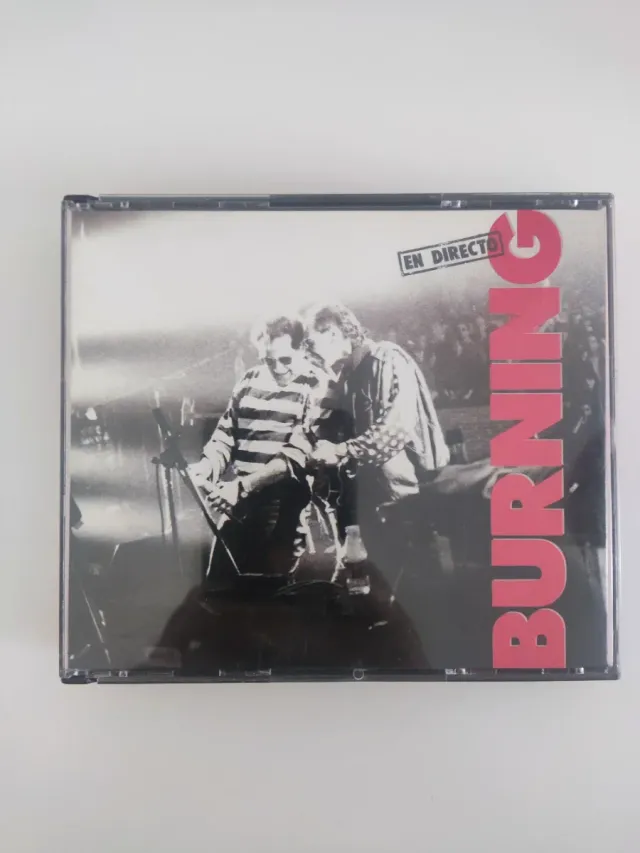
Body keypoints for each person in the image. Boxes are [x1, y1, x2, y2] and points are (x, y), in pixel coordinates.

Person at [300, 303, 450, 598]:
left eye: (312, 342)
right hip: (372, 496)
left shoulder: (386, 358)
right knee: (380, 581)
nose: (310, 350)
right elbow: (325, 426)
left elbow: (394, 428)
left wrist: (342, 450)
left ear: (332, 333)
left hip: (403, 494)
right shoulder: (346, 374)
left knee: (418, 585)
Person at [188, 314, 328, 584]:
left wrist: (239, 487)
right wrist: (206, 466)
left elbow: (295, 456)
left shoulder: (315, 385)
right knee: (218, 587)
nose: (277, 369)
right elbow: (226, 433)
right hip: (241, 502)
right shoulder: (249, 379)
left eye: (285, 360)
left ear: (301, 348)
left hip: (284, 507)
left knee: (271, 593)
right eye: (268, 360)